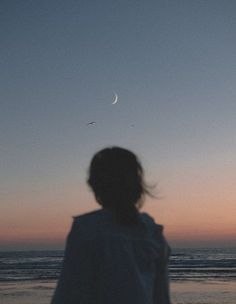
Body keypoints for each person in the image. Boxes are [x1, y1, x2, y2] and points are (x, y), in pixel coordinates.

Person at [51, 146, 171, 304]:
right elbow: (161, 297)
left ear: (94, 184)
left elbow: (69, 293)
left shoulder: (87, 228)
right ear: (138, 185)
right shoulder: (152, 232)